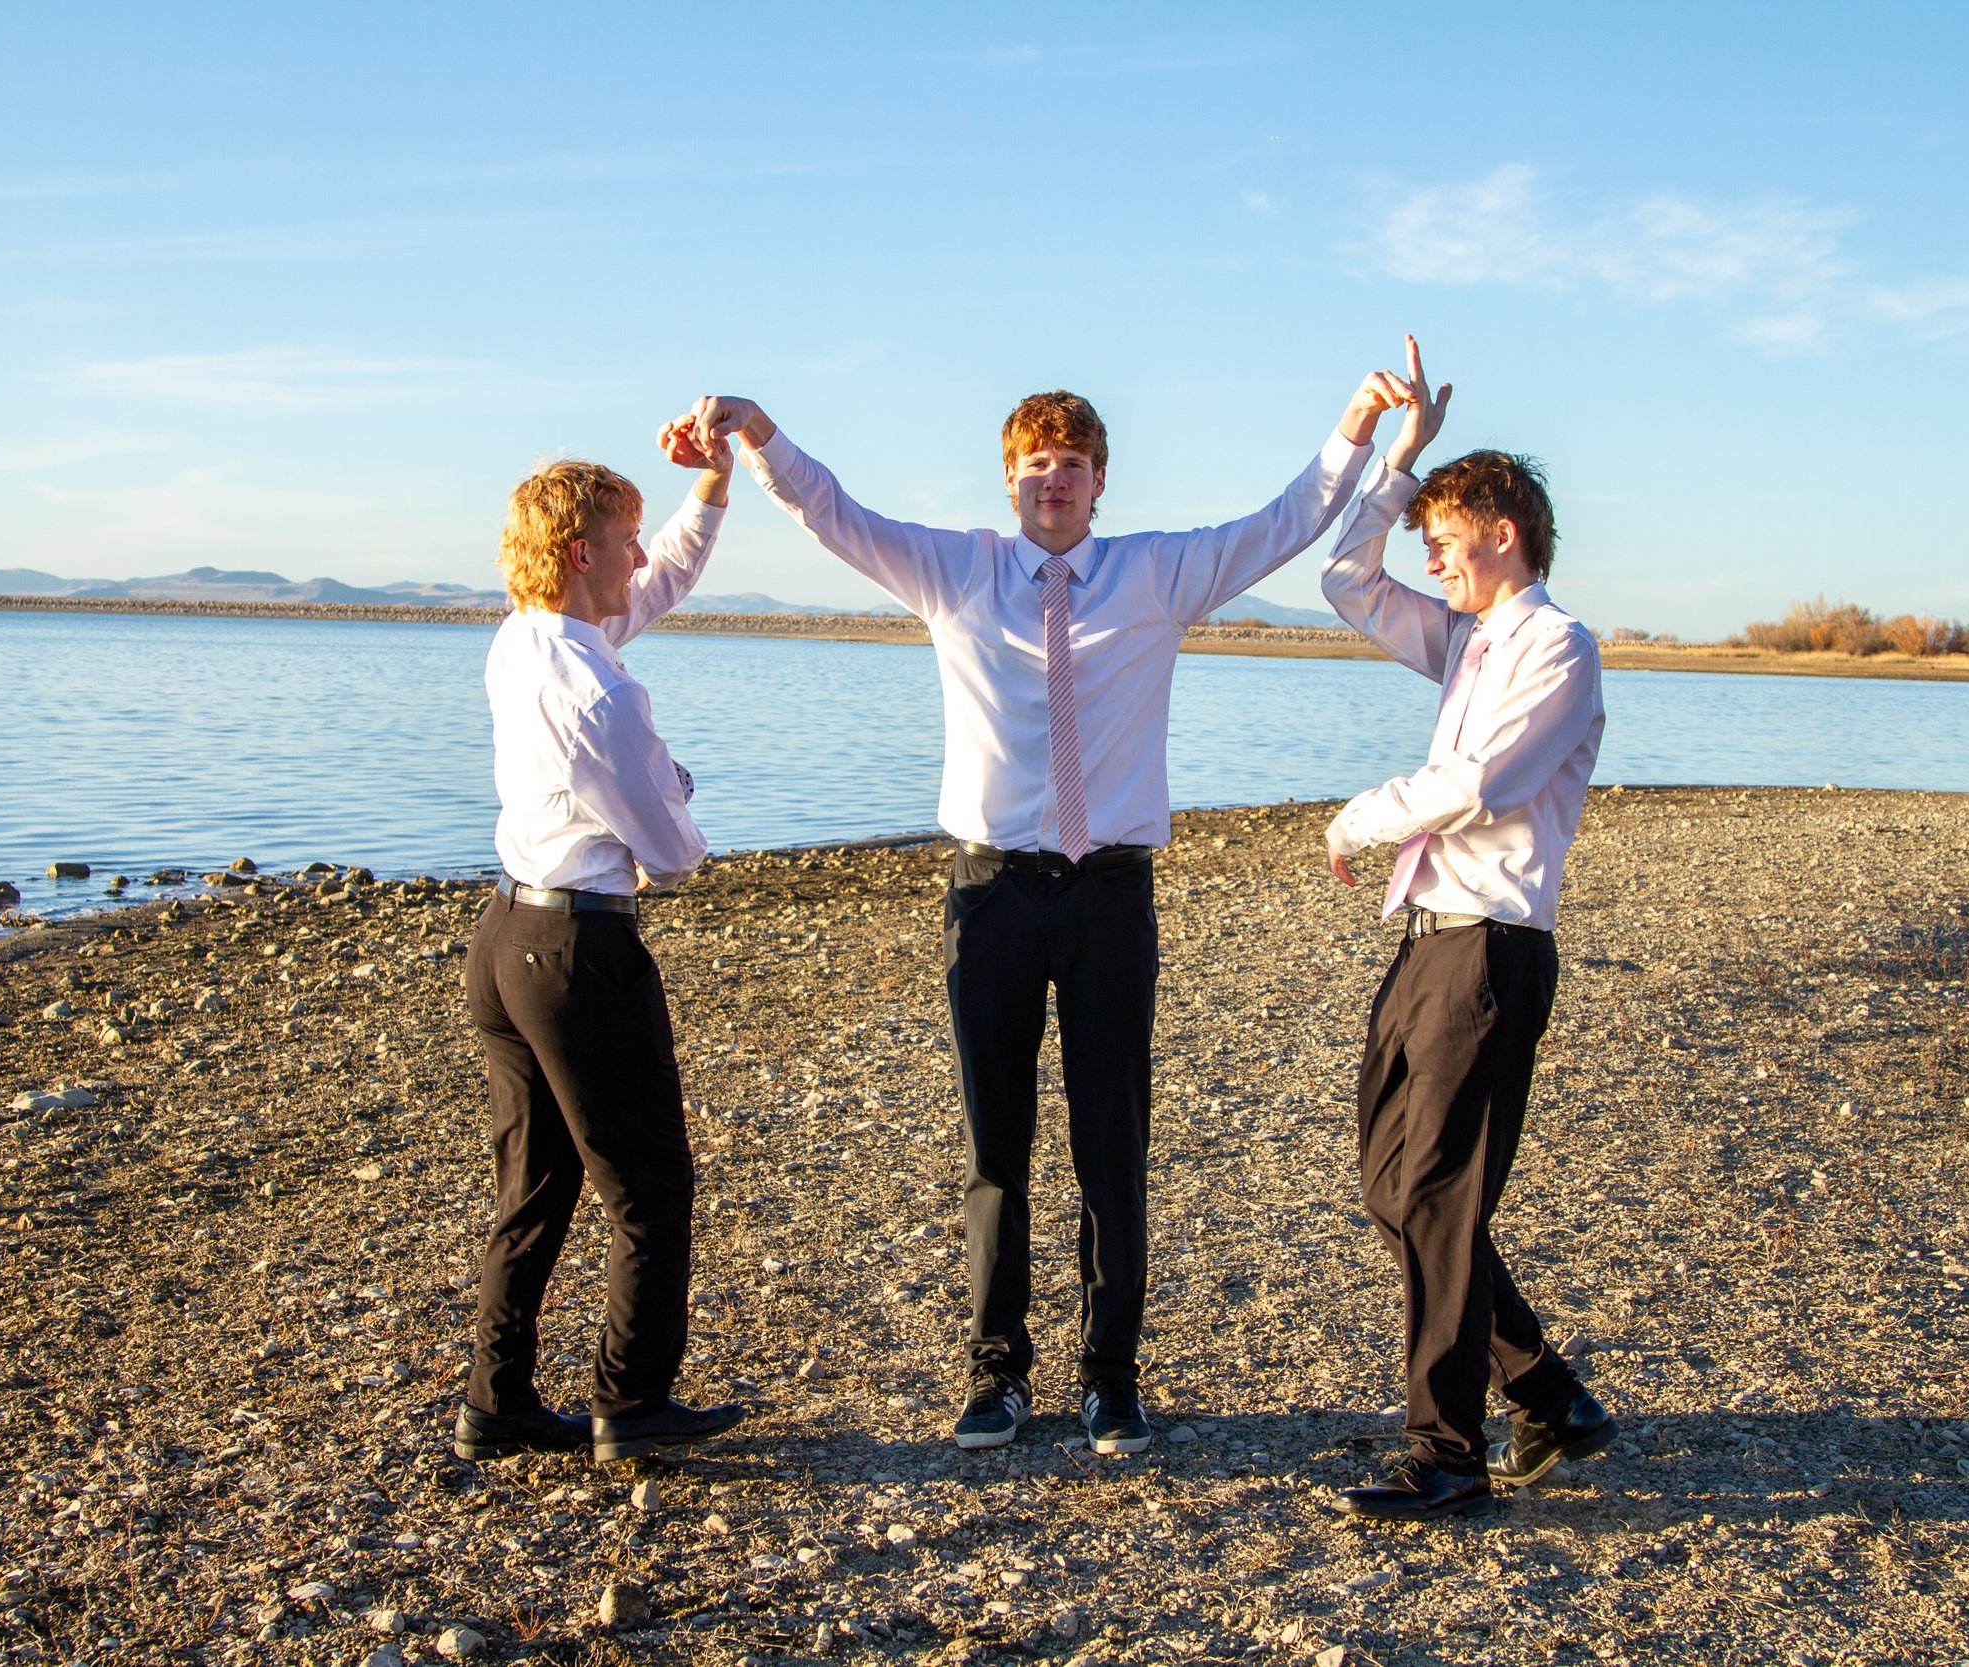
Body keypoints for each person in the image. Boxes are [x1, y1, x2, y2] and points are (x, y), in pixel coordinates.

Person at [671, 368, 1410, 1454]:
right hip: (991, 893)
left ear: (1098, 480)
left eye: (1068, 465)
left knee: (1113, 1139)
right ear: (1009, 483)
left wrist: (1355, 426)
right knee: (994, 1143)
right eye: (1033, 466)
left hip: (1110, 892)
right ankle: (996, 1373)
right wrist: (760, 433)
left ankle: (1112, 1373)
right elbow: (833, 511)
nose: (1050, 482)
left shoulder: (1154, 573)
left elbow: (1286, 520)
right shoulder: (955, 570)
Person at [1318, 340, 1613, 1518]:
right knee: (1395, 1189)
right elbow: (1345, 577)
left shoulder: (1554, 644)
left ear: (1501, 527)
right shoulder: (1466, 641)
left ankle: (1447, 1451)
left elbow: (1481, 780)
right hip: (1426, 941)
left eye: (1441, 528)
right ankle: (1547, 1389)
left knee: (1438, 1193)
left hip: (1489, 944)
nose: (1425, 550)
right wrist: (1400, 466)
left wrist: (1351, 820)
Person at [452, 427, 748, 1468]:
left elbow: (660, 576)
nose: (639, 555)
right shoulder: (603, 691)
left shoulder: (523, 636)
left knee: (533, 1182)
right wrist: (679, 791)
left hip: (504, 937)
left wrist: (712, 480)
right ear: (582, 550)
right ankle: (631, 1400)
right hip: (578, 949)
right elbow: (672, 853)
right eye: (624, 538)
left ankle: (497, 1398)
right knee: (648, 1186)